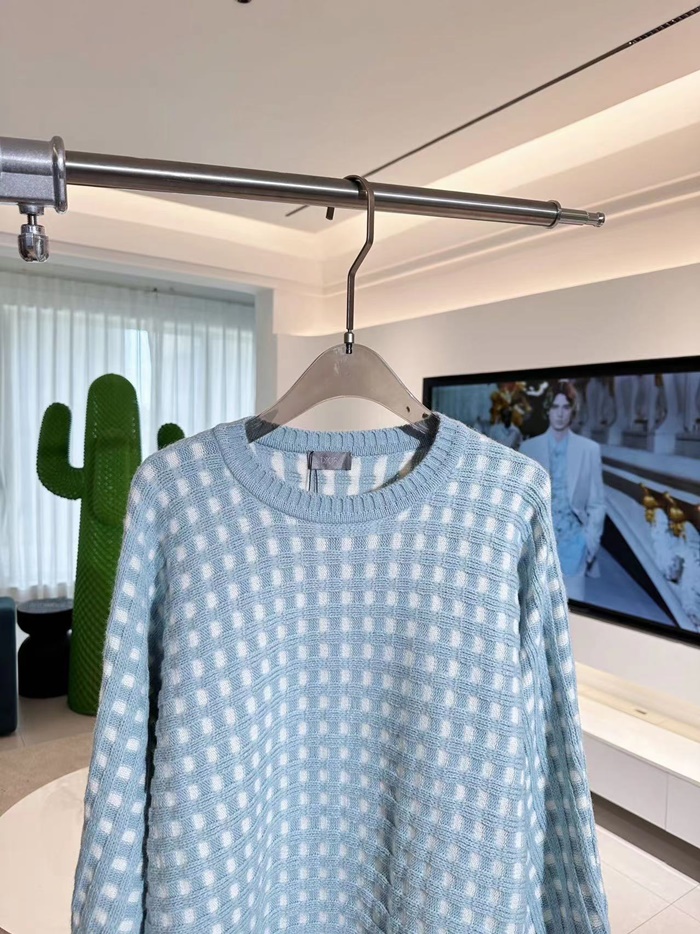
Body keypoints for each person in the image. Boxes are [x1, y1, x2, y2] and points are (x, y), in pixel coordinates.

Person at [520, 381, 606, 601]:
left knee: (573, 612)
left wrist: (588, 544)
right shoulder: (529, 448)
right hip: (538, 546)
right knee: (534, 610)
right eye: (555, 407)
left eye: (565, 407)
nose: (560, 414)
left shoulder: (589, 449)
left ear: (572, 411)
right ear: (548, 410)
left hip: (574, 546)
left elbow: (597, 503)